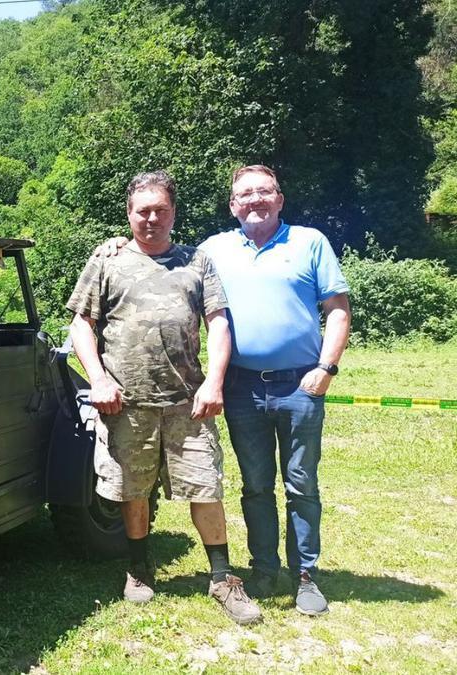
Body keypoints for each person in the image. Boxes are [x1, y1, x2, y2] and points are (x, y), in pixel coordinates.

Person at [94, 165, 352, 616]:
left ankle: (302, 576)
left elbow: (335, 308)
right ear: (233, 205)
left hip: (297, 383)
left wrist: (327, 367)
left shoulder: (305, 242)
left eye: (264, 191)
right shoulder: (214, 249)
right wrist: (115, 243)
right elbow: (145, 252)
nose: (255, 200)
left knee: (298, 482)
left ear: (279, 197)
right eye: (245, 195)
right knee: (254, 484)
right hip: (241, 386)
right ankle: (264, 569)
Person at [67, 170, 261, 625]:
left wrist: (214, 381)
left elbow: (218, 323)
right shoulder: (106, 262)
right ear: (129, 214)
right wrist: (98, 379)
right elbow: (81, 325)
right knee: (133, 490)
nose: (151, 218)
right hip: (126, 404)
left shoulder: (196, 262)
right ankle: (138, 568)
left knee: (206, 487)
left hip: (188, 403)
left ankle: (222, 577)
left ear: (173, 212)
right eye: (142, 211)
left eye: (160, 210)